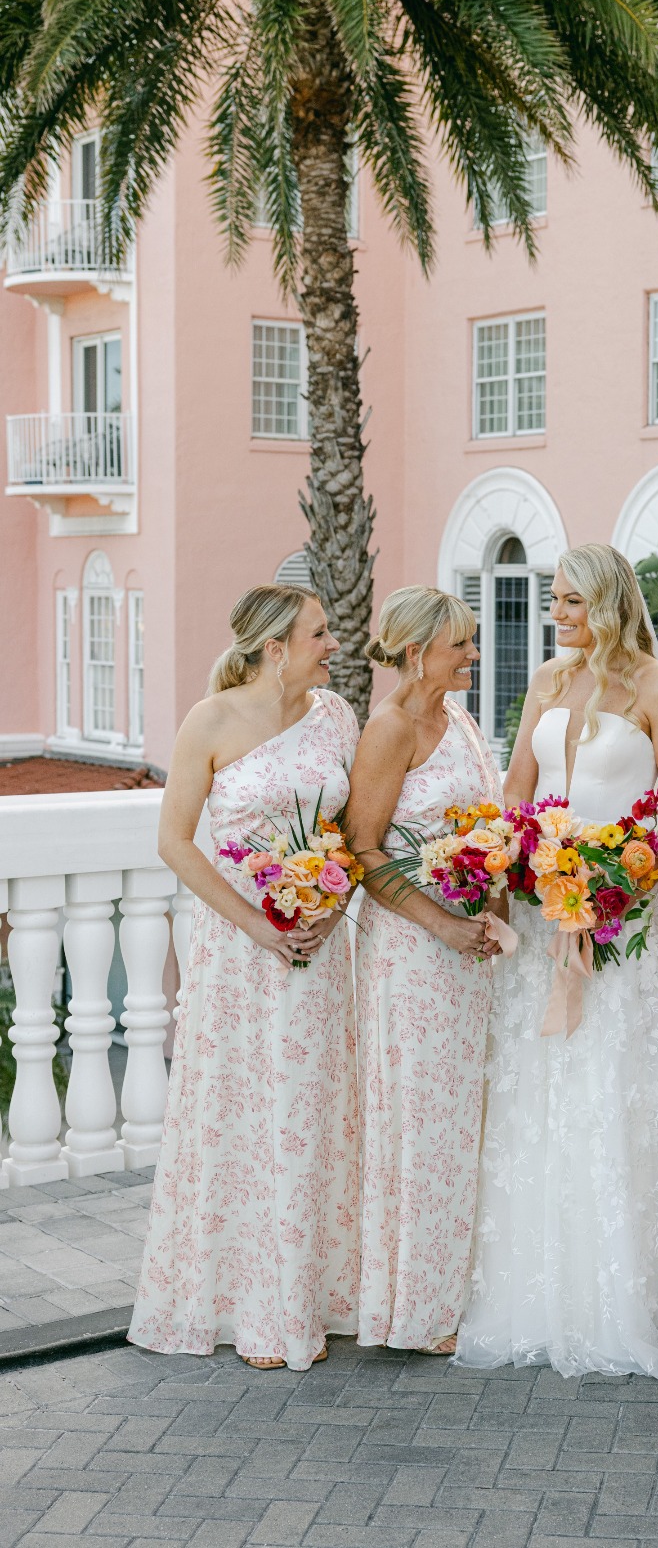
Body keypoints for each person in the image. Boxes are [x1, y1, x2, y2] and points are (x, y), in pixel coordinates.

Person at [455, 543, 658, 1380]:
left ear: (607, 602)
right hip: (544, 913)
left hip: (624, 925)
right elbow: (518, 794)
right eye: (552, 599)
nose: (556, 613)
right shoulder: (549, 684)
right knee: (544, 1088)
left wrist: (621, 883)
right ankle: (543, 1291)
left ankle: (629, 1295)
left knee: (616, 1085)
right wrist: (521, 864)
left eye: (569, 601)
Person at [129, 585, 360, 1371]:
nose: (333, 644)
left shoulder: (336, 716)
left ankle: (313, 1293)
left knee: (311, 1109)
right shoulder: (212, 719)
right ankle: (250, 1303)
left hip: (321, 946)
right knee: (243, 1114)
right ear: (275, 648)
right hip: (239, 949)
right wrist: (256, 921)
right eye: (319, 633)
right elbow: (175, 841)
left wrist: (332, 900)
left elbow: (352, 833)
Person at [344, 586, 505, 1357]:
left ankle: (461, 1288)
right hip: (414, 950)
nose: (474, 654)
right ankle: (416, 1304)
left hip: (473, 950)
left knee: (466, 1120)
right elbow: (365, 847)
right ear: (415, 653)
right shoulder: (390, 727)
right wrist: (439, 919)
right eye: (461, 645)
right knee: (424, 1121)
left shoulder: (462, 721)